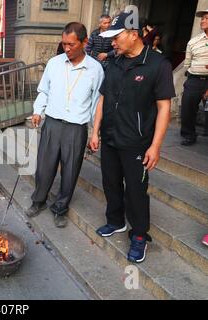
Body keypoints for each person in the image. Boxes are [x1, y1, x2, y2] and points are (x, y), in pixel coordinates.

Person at [89, 12, 176, 263]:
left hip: (136, 142)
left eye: (116, 37)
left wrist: (156, 146)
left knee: (136, 191)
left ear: (133, 34)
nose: (112, 43)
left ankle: (139, 235)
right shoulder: (114, 62)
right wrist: (95, 131)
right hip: (110, 137)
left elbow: (163, 108)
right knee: (110, 182)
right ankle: (115, 221)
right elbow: (103, 98)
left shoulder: (158, 65)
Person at [26, 22, 105, 228]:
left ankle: (60, 208)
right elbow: (44, 90)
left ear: (85, 42)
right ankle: (38, 201)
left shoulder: (95, 69)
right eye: (64, 44)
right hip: (52, 123)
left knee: (70, 171)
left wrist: (94, 132)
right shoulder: (54, 63)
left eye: (71, 44)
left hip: (76, 128)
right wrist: (37, 110)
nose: (67, 49)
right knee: (44, 166)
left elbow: (98, 103)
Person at [180, 9, 208, 146]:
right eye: (202, 18)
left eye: (206, 18)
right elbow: (187, 64)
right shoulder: (193, 42)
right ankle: (188, 135)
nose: (202, 21)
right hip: (194, 79)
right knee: (187, 109)